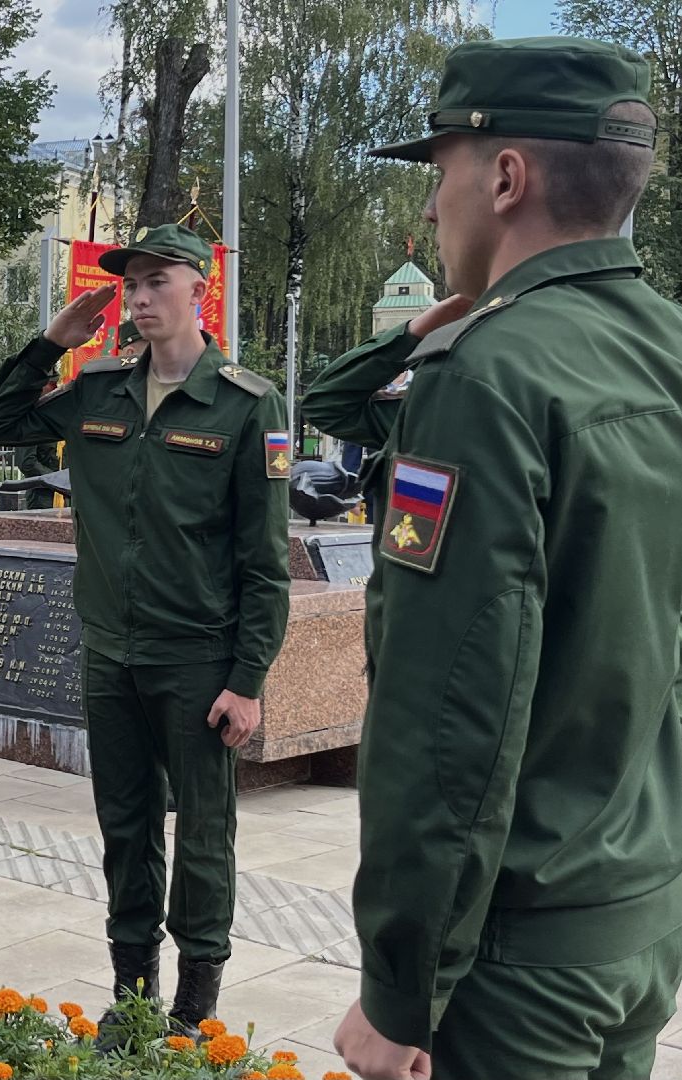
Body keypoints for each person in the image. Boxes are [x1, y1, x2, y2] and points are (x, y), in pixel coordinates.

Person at [299, 38, 682, 1080]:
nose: (432, 211)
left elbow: (454, 710)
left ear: (504, 177)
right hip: (637, 916)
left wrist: (401, 988)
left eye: (440, 175)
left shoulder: (490, 376)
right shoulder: (665, 346)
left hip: (515, 961)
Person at [0, 224, 290, 1043]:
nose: (141, 297)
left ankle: (195, 1007)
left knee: (202, 834)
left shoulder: (246, 405)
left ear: (199, 290)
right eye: (131, 285)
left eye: (157, 282)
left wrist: (248, 677)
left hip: (198, 660)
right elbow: (0, 423)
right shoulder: (100, 390)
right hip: (110, 653)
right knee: (125, 826)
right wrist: (51, 342)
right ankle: (134, 992)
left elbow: (265, 562)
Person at [12, 378, 61, 511]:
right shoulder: (30, 419)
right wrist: (57, 479)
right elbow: (27, 463)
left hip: (66, 493)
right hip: (42, 495)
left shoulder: (59, 418)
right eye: (53, 386)